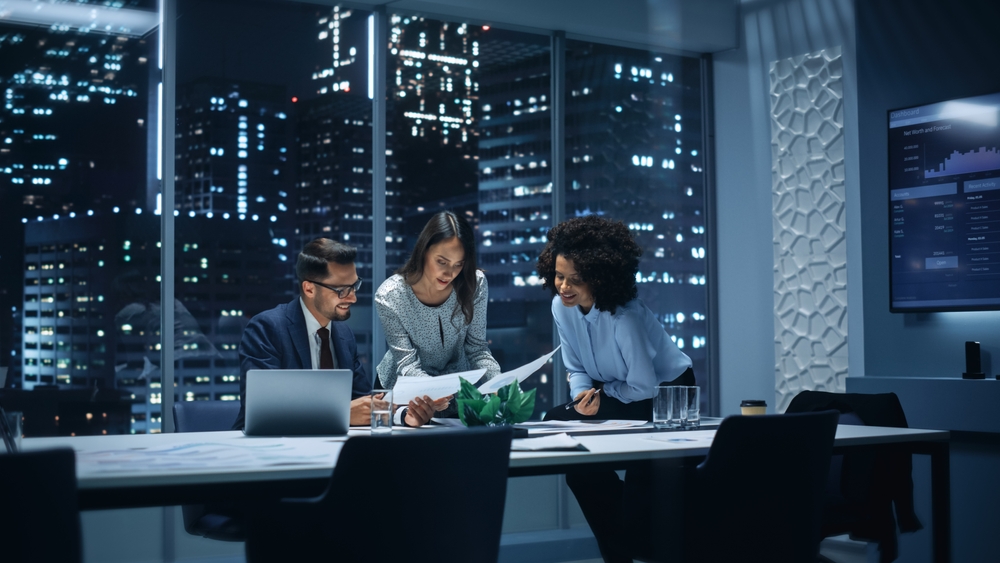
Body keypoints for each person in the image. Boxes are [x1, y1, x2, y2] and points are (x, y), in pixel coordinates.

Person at [537, 215, 694, 563]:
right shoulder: (561, 308)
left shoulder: (625, 318)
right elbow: (576, 367)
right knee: (573, 454)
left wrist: (604, 397)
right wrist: (581, 396)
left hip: (667, 392)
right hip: (616, 389)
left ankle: (637, 547)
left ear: (601, 278)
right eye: (559, 275)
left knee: (646, 482)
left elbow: (644, 384)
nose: (563, 286)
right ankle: (622, 551)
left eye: (575, 279)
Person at [233, 238, 380, 430]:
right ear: (309, 289)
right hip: (268, 447)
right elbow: (264, 411)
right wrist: (342, 412)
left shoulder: (344, 334)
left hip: (332, 446)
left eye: (354, 286)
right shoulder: (267, 328)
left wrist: (405, 414)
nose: (353, 297)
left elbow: (363, 403)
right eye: (341, 290)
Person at [375, 211, 501, 426]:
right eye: (442, 262)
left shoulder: (474, 283)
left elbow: (477, 348)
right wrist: (437, 390)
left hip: (456, 392)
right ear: (423, 251)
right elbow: (406, 365)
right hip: (407, 393)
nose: (449, 273)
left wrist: (498, 383)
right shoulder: (390, 295)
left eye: (458, 264)